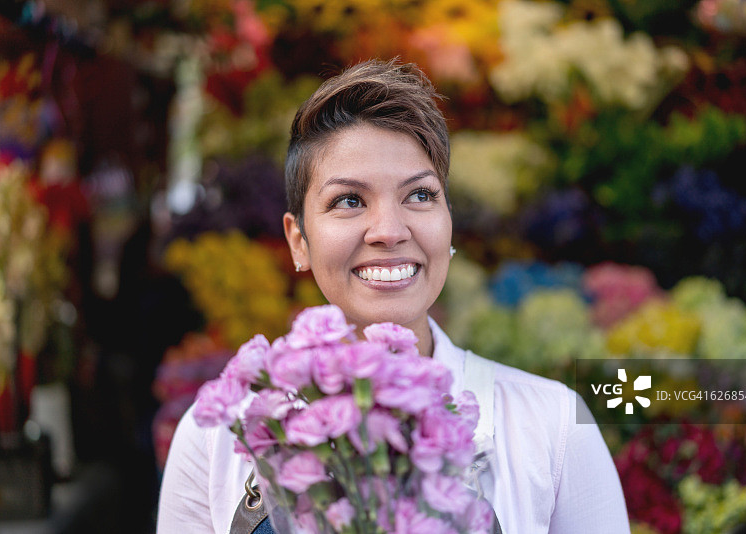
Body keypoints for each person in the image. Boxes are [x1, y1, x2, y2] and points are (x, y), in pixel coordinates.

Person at [157, 59, 630, 533]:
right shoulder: (216, 437)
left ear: (448, 223)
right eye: (349, 200)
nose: (389, 230)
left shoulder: (553, 426)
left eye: (420, 195)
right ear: (298, 240)